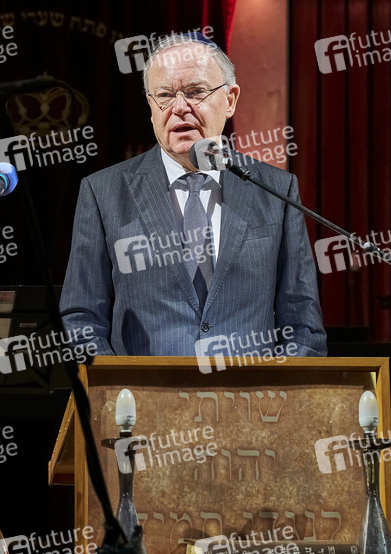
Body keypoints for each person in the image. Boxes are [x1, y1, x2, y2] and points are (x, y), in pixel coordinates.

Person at [60, 33, 326, 357]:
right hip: (143, 390)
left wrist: (279, 388)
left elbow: (303, 324)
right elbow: (81, 320)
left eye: (196, 92)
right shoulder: (103, 192)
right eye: (164, 95)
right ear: (150, 106)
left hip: (250, 389)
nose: (179, 107)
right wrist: (118, 386)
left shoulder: (276, 191)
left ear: (230, 100)